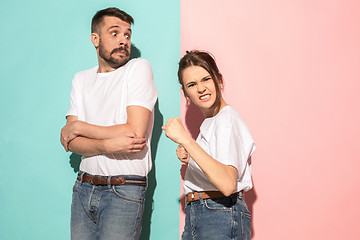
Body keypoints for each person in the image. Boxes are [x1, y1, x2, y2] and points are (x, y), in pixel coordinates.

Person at [60, 7, 158, 240]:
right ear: (95, 39)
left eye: (127, 34)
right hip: (84, 187)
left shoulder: (138, 68)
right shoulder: (81, 79)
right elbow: (71, 143)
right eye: (115, 33)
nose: (123, 40)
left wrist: (80, 127)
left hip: (124, 189)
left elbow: (134, 131)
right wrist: (108, 145)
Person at [162, 50, 255, 240]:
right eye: (192, 84)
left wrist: (185, 139)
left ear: (218, 79)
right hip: (204, 214)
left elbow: (228, 184)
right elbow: (219, 167)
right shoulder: (214, 121)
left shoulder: (226, 120)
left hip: (218, 212)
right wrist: (192, 157)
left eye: (206, 79)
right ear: (185, 93)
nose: (201, 88)